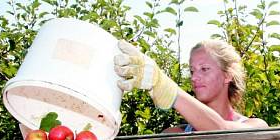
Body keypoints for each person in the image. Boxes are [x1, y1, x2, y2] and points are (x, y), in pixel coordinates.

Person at [113, 39, 268, 132]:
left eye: (204, 69)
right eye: (192, 70)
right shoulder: (174, 134)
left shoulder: (255, 126)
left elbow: (221, 131)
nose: (194, 77)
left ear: (227, 75)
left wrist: (169, 90)